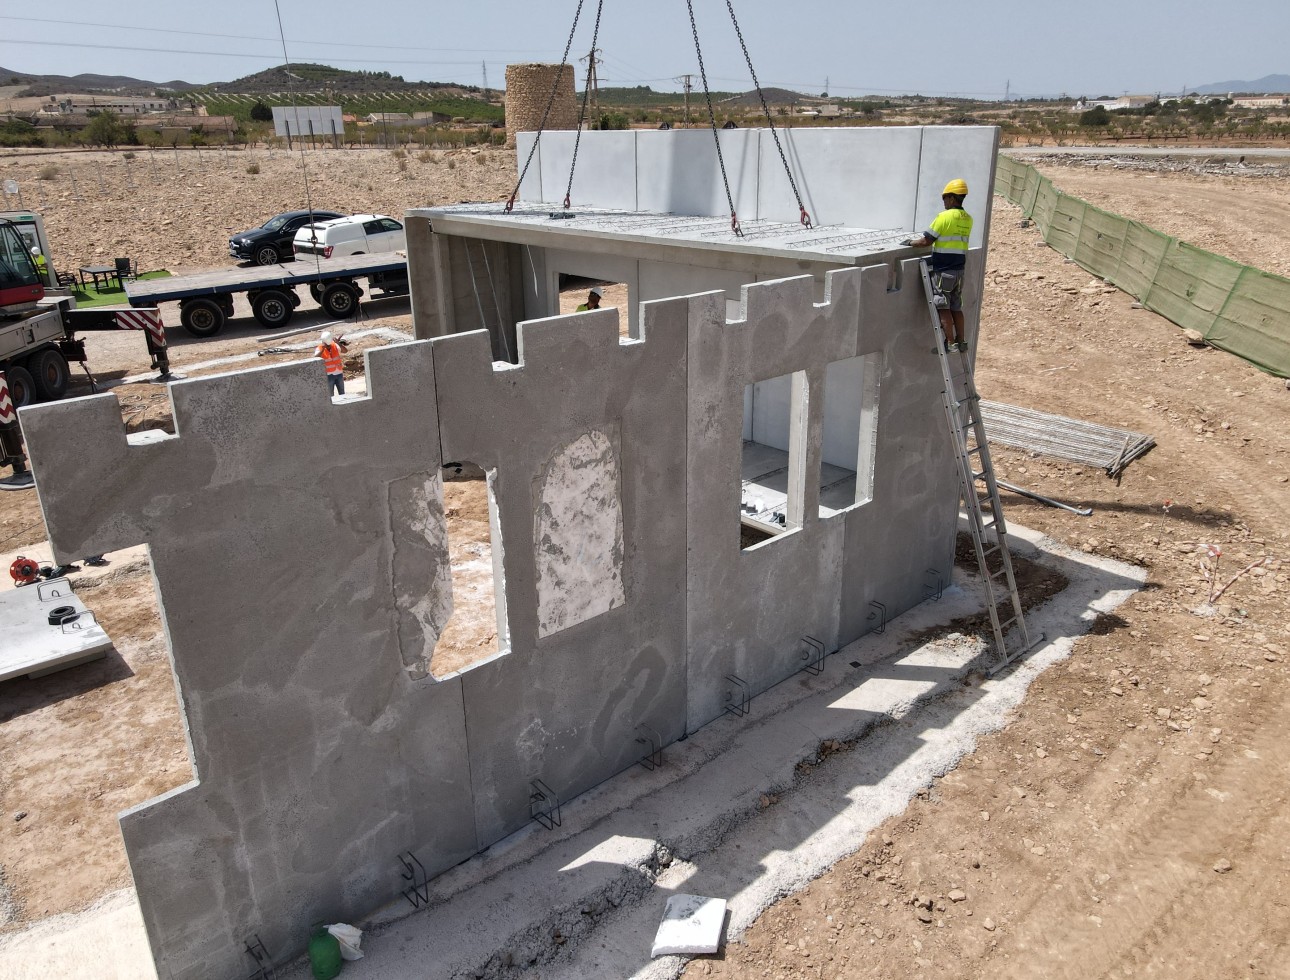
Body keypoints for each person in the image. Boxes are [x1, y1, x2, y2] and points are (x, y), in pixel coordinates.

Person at [905, 179, 973, 352]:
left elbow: (926, 241)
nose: (944, 202)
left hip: (944, 271)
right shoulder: (967, 218)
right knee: (956, 307)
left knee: (943, 306)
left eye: (944, 198)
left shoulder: (944, 217)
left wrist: (910, 243)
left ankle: (950, 344)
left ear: (951, 198)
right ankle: (961, 341)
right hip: (959, 271)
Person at [314, 329, 347, 396]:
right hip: (329, 375)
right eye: (327, 345)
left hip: (339, 373)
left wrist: (338, 343)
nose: (329, 346)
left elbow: (345, 351)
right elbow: (316, 357)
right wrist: (323, 349)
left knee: (342, 393)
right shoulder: (320, 348)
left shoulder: (334, 345)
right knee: (330, 395)